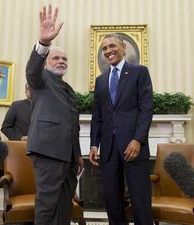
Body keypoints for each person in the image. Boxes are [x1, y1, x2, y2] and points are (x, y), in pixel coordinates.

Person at [24, 5, 83, 225]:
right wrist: (44, 43)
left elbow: (73, 126)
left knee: (64, 206)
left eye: (64, 60)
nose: (61, 62)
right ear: (47, 63)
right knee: (48, 207)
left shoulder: (69, 90)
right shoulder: (41, 81)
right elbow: (31, 70)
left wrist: (77, 155)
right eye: (56, 58)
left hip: (68, 158)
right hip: (47, 152)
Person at [89, 33, 154, 225]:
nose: (108, 51)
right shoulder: (101, 80)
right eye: (104, 49)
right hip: (108, 148)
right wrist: (94, 144)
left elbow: (146, 108)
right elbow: (97, 115)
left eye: (112, 46)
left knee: (140, 198)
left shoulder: (139, 72)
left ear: (123, 46)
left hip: (133, 146)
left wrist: (138, 139)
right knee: (112, 200)